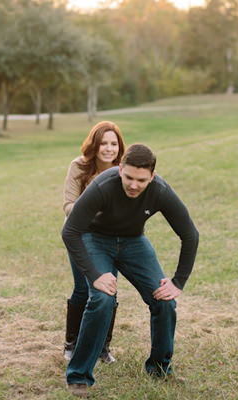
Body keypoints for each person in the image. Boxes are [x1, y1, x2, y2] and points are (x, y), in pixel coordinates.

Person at [61, 143, 199, 397]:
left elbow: (190, 235)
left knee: (165, 301)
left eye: (141, 180)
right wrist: (95, 274)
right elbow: (70, 232)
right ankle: (78, 376)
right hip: (96, 239)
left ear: (152, 177)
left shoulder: (160, 190)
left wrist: (178, 282)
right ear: (120, 169)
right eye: (129, 177)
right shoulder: (103, 185)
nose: (134, 185)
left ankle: (159, 368)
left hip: (134, 242)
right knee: (102, 299)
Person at [62, 120, 125, 364]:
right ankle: (72, 343)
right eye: (103, 143)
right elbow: (68, 205)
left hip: (111, 239)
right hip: (79, 235)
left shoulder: (123, 169)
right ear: (94, 145)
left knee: (109, 291)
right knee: (83, 289)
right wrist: (93, 203)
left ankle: (102, 347)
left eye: (114, 143)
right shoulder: (78, 167)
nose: (109, 148)